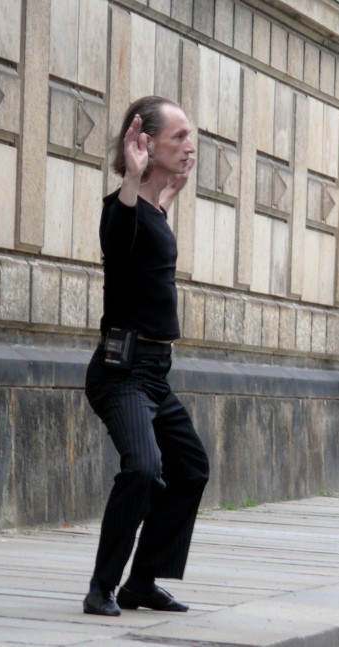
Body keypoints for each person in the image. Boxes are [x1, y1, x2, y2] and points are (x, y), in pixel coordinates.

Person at [81, 96, 209, 617]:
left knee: (190, 468)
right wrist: (135, 182)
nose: (189, 144)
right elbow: (118, 242)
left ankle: (142, 582)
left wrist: (161, 193)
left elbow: (146, 251)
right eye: (178, 135)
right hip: (122, 373)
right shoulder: (122, 207)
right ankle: (102, 587)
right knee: (143, 468)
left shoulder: (154, 209)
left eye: (189, 135)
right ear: (144, 143)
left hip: (156, 374)